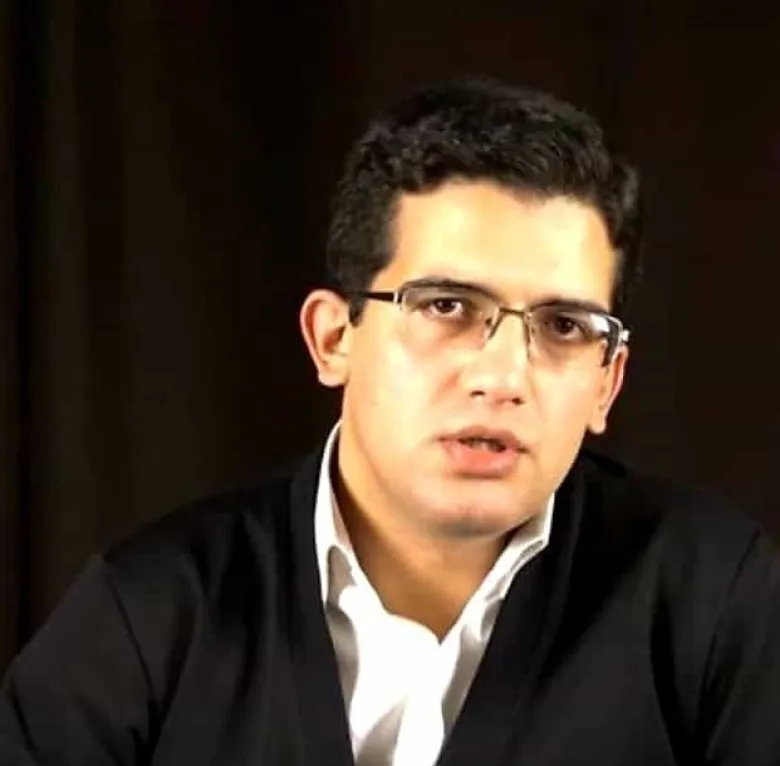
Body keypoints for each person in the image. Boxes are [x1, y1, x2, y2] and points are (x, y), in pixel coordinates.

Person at [1, 74, 778, 766]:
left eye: (565, 327)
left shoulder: (713, 602)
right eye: (446, 307)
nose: (503, 377)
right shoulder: (148, 615)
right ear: (333, 338)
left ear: (607, 382)